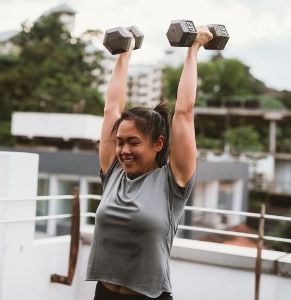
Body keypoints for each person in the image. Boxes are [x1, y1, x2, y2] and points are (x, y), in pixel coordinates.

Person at [86, 25, 213, 300]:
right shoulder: (113, 172)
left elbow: (184, 112)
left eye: (133, 142)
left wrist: (194, 49)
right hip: (104, 292)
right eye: (120, 141)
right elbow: (111, 109)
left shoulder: (173, 181)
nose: (123, 150)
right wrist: (124, 55)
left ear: (158, 144)